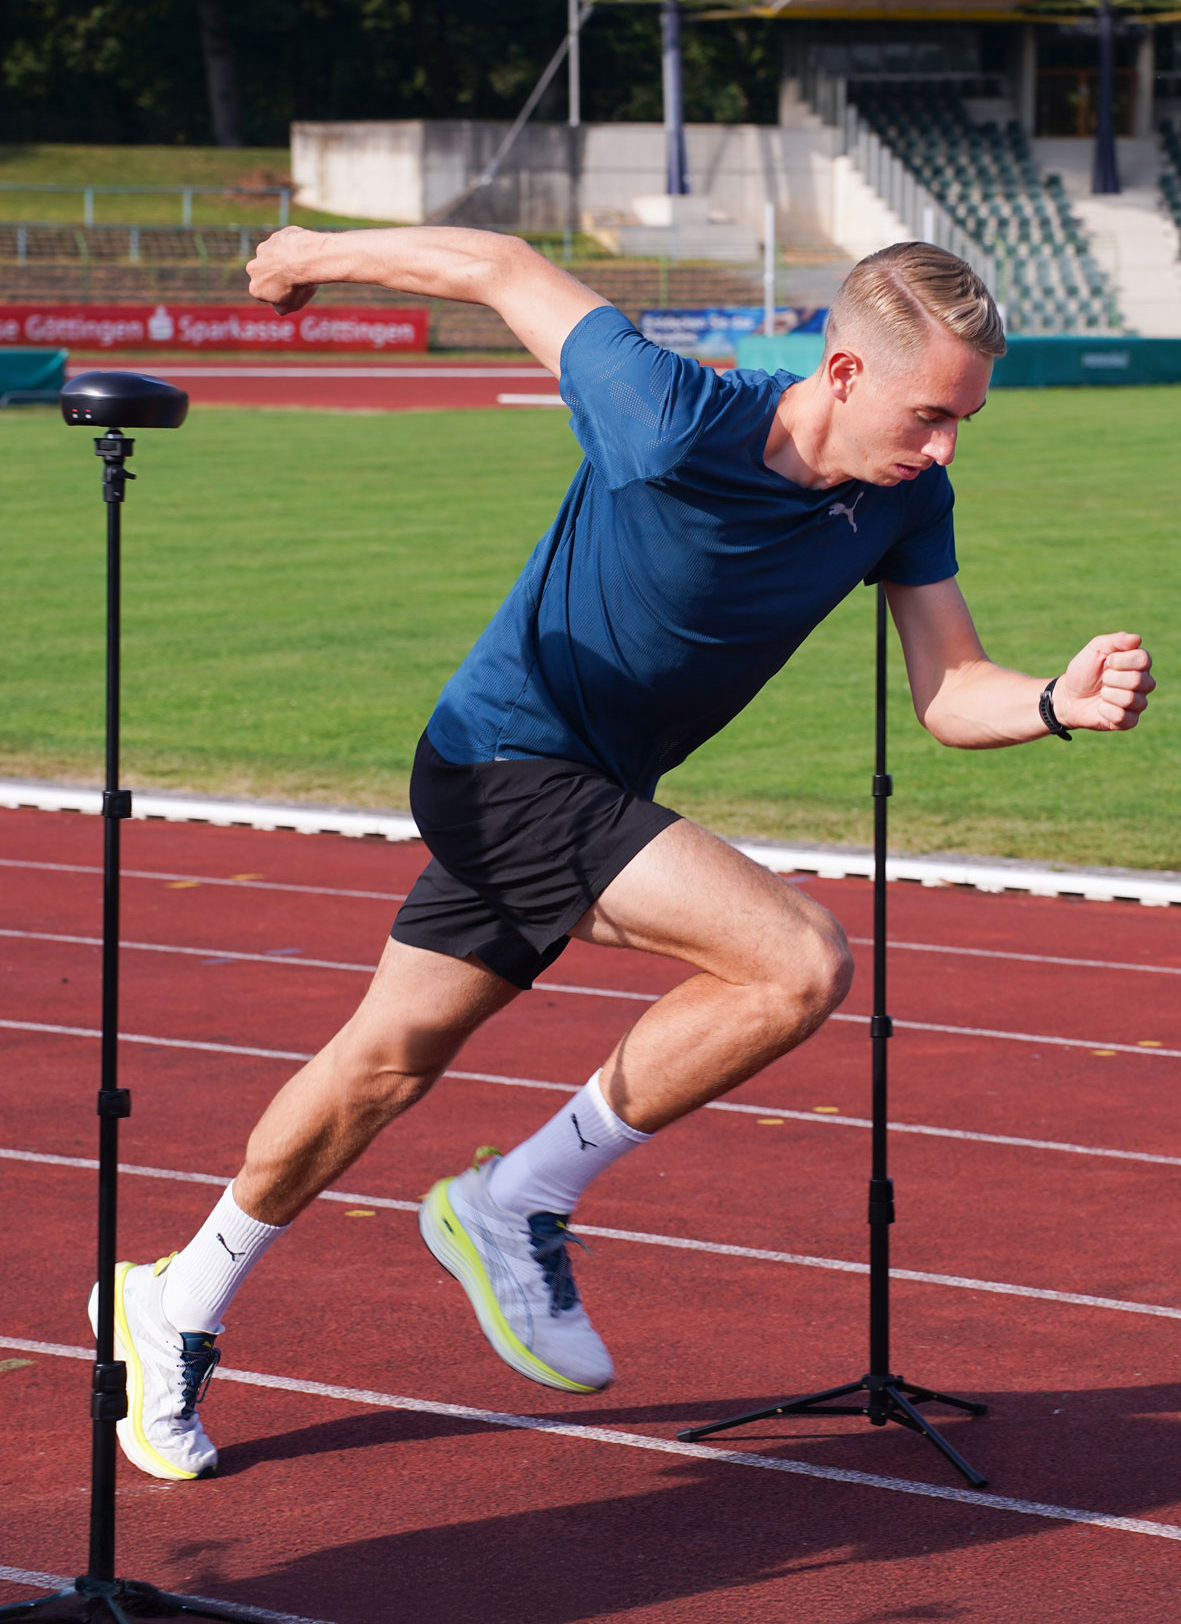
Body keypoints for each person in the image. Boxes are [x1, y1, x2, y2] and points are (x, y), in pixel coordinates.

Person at [90, 231, 1155, 1481]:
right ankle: (513, 1199)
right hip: (496, 763)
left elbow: (949, 687)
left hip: (587, 791)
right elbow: (496, 264)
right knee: (793, 960)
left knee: (378, 1065)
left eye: (962, 421)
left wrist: (1050, 702)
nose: (943, 448)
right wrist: (305, 252)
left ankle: (173, 1299)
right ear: (845, 370)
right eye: (928, 415)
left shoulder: (904, 498)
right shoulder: (663, 411)